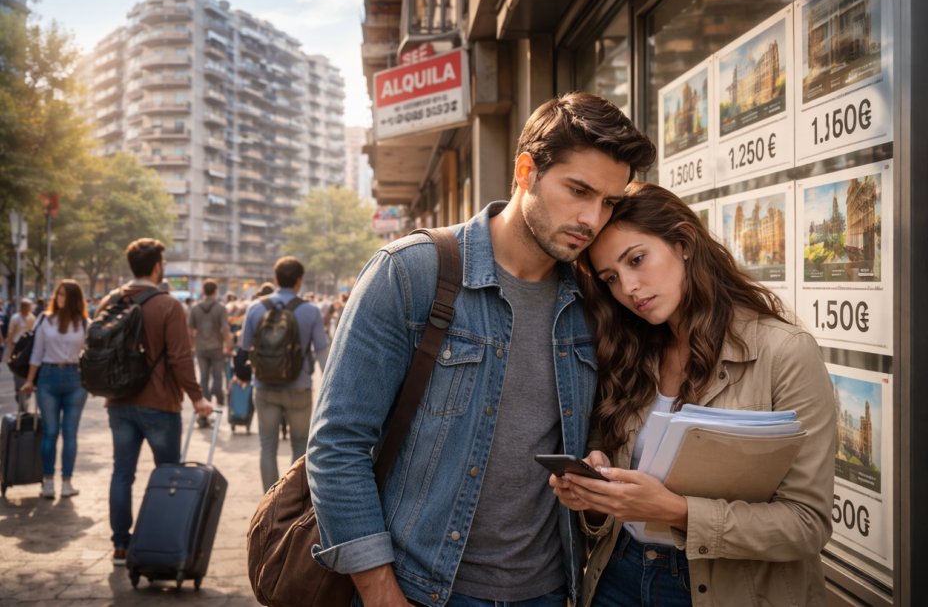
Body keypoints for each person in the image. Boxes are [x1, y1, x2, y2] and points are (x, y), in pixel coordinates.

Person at [306, 92, 656, 607]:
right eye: (577, 190)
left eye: (608, 202)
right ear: (525, 171)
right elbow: (337, 444)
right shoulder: (411, 272)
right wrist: (380, 592)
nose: (591, 218)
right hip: (417, 590)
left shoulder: (594, 299)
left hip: (549, 591)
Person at [552, 182, 835, 607]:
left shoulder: (784, 353)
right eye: (611, 277)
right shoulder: (629, 353)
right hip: (618, 575)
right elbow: (606, 473)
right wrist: (594, 493)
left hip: (728, 588)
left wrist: (677, 511)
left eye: (637, 259)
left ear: (683, 243)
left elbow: (806, 524)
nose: (628, 287)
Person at [95, 239, 212, 567]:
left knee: (122, 472)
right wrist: (197, 397)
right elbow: (179, 357)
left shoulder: (110, 300)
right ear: (158, 266)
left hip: (118, 401)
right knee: (168, 475)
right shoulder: (168, 305)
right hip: (160, 403)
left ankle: (120, 545)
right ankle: (162, 540)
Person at [240, 257, 330, 492]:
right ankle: (292, 504)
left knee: (267, 446)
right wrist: (331, 389)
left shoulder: (255, 307)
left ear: (276, 279)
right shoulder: (310, 310)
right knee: (300, 445)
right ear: (299, 281)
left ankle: (269, 504)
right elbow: (322, 350)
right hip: (298, 387)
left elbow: (245, 345)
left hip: (263, 386)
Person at [21, 281, 91, 499]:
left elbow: (89, 357)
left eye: (64, 295)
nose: (59, 298)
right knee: (50, 433)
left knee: (70, 433)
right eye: (58, 294)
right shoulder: (44, 320)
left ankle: (67, 482)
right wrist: (29, 381)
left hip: (75, 380)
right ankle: (48, 481)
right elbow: (36, 353)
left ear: (73, 298)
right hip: (48, 378)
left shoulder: (85, 323)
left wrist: (93, 382)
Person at [188, 278, 232, 423]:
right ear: (215, 291)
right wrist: (228, 344)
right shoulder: (220, 308)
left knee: (204, 378)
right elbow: (225, 328)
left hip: (200, 347)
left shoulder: (195, 308)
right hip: (216, 347)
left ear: (202, 291)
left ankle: (203, 414)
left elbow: (189, 328)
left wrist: (191, 345)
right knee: (218, 377)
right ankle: (217, 397)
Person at [5, 297, 35, 395]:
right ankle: (19, 388)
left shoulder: (32, 318)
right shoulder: (15, 317)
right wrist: (11, 347)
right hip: (17, 346)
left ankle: (28, 383)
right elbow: (11, 333)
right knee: (17, 365)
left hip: (28, 347)